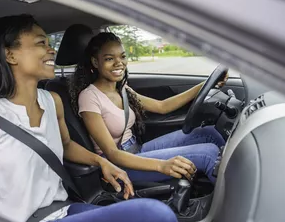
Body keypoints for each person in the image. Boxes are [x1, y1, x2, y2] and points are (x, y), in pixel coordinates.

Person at [0, 14, 193, 222]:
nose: (51, 49)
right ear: (10, 55)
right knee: (152, 215)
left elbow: (65, 145)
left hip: (61, 210)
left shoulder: (52, 100)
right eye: (41, 43)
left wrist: (101, 161)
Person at [70, 32, 226, 184]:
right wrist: (161, 165)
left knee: (208, 133)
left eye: (123, 56)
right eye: (109, 58)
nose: (119, 63)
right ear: (96, 62)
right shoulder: (89, 97)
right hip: (119, 165)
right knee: (208, 153)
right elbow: (112, 153)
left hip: (136, 149)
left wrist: (205, 85)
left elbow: (162, 106)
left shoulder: (122, 89)